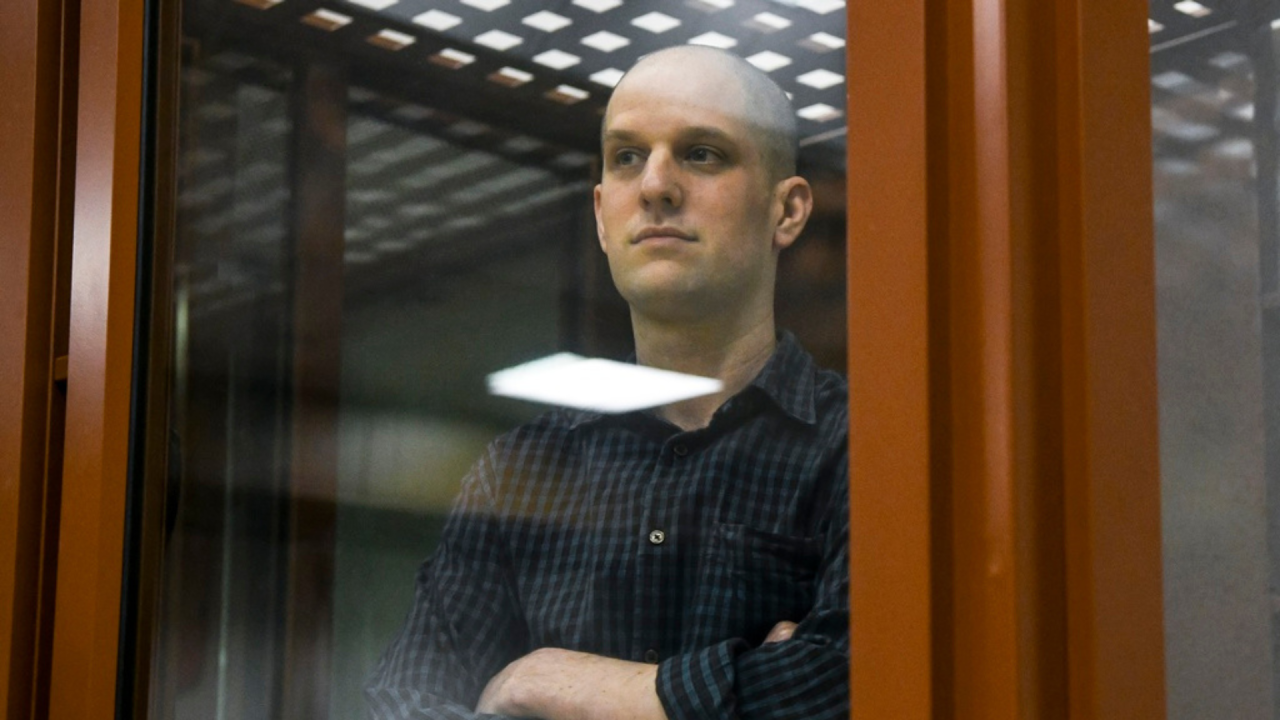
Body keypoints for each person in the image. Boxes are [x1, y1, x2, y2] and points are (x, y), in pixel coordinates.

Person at [366, 45, 849, 720]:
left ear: (788, 211)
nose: (655, 185)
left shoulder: (859, 444)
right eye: (627, 157)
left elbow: (853, 679)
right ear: (600, 213)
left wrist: (550, 682)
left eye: (702, 153)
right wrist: (748, 688)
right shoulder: (521, 470)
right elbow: (403, 703)